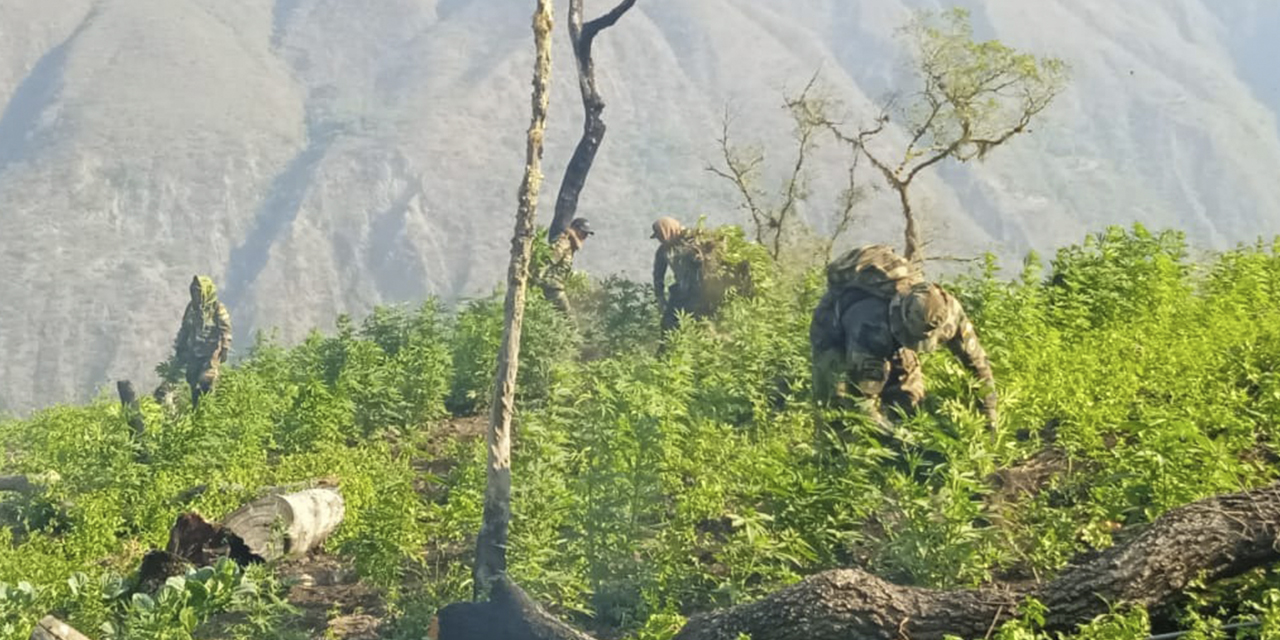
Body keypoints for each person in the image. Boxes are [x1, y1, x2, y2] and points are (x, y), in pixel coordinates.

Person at [810, 244, 998, 435]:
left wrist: (988, 415)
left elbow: (978, 364)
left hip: (891, 331)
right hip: (835, 335)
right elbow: (861, 402)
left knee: (910, 400)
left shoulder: (948, 313)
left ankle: (902, 442)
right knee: (839, 411)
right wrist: (898, 437)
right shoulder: (870, 324)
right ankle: (834, 457)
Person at [160, 275, 232, 409]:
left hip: (211, 354)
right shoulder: (192, 308)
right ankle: (196, 412)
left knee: (206, 381)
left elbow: (225, 330)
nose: (196, 295)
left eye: (198, 291)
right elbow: (185, 328)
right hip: (194, 352)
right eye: (194, 291)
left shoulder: (217, 308)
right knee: (192, 381)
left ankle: (207, 411)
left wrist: (225, 349)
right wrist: (180, 347)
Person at [537, 218, 594, 316]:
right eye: (583, 233)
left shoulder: (570, 247)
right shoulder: (564, 243)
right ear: (575, 230)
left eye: (586, 235)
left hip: (555, 287)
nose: (584, 237)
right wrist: (538, 279)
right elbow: (549, 260)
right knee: (569, 321)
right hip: (552, 287)